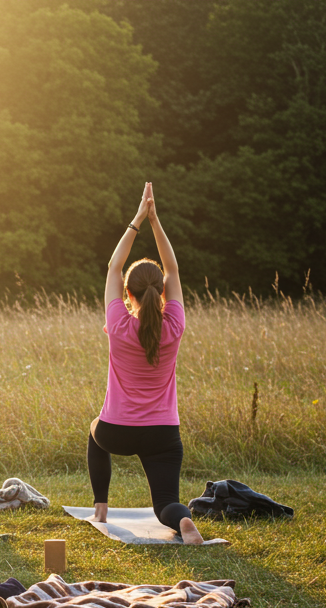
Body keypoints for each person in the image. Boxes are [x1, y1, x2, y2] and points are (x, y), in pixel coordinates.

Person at [88, 182, 206, 544]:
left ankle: (101, 509)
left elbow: (113, 266)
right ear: (163, 294)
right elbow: (172, 268)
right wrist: (156, 222)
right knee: (166, 502)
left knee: (94, 434)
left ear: (128, 294)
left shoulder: (119, 325)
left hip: (116, 430)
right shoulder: (174, 325)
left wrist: (138, 218)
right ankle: (183, 522)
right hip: (163, 433)